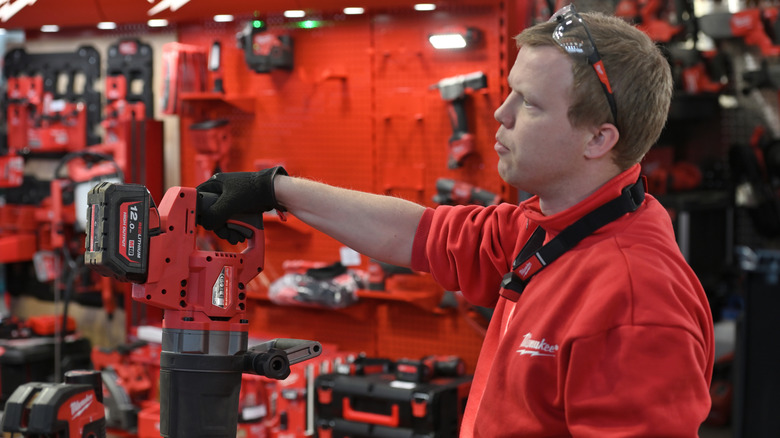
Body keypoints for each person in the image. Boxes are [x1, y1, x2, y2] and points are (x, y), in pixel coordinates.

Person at [197, 5, 714, 437]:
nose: (500, 114)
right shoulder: (544, 227)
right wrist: (272, 189)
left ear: (598, 139)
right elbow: (416, 233)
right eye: (510, 91)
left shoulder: (634, 302)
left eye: (529, 104)